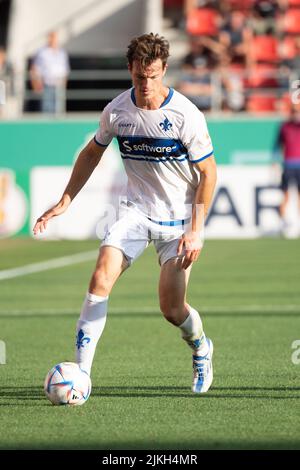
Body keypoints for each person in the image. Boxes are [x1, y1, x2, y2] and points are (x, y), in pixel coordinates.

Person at [33, 33, 217, 394]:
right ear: (130, 70)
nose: (145, 84)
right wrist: (66, 199)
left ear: (164, 70)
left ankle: (201, 347)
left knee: (171, 309)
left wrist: (195, 229)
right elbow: (91, 153)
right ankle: (81, 376)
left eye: (152, 76)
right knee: (100, 277)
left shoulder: (186, 115)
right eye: (138, 76)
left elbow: (209, 173)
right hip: (135, 212)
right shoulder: (117, 110)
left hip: (179, 221)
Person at [274, 102, 300, 232]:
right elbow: (277, 146)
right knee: (285, 195)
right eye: (294, 111)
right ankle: (283, 223)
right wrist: (274, 162)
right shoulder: (284, 127)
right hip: (288, 165)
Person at [30, 31, 70, 114]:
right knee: (47, 110)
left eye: (54, 38)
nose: (53, 40)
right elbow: (35, 69)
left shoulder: (62, 52)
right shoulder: (42, 52)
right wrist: (36, 84)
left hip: (59, 86)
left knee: (59, 111)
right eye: (51, 37)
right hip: (47, 85)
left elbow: (65, 70)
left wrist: (64, 85)